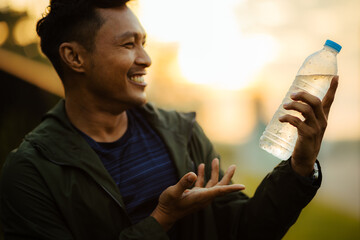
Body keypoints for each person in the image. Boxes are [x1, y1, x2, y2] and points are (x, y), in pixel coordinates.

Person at [0, 0, 339, 239]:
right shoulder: (30, 172)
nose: (145, 59)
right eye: (128, 45)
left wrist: (301, 165)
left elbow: (243, 230)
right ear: (74, 57)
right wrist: (161, 220)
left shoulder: (181, 132)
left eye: (143, 43)